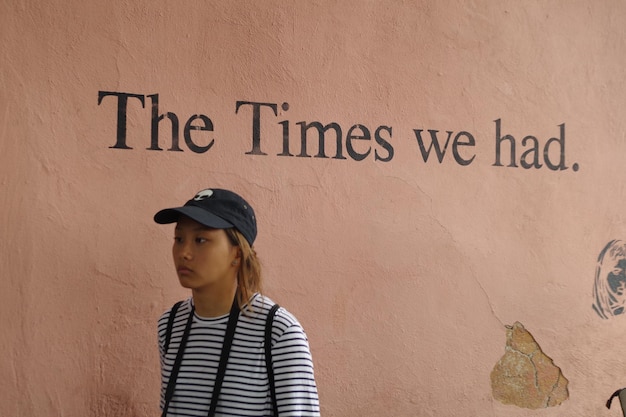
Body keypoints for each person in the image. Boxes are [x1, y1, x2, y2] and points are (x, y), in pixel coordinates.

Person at [154, 188, 321, 417]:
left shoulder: (278, 332)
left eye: (201, 240)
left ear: (237, 252)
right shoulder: (171, 324)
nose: (184, 252)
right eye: (179, 239)